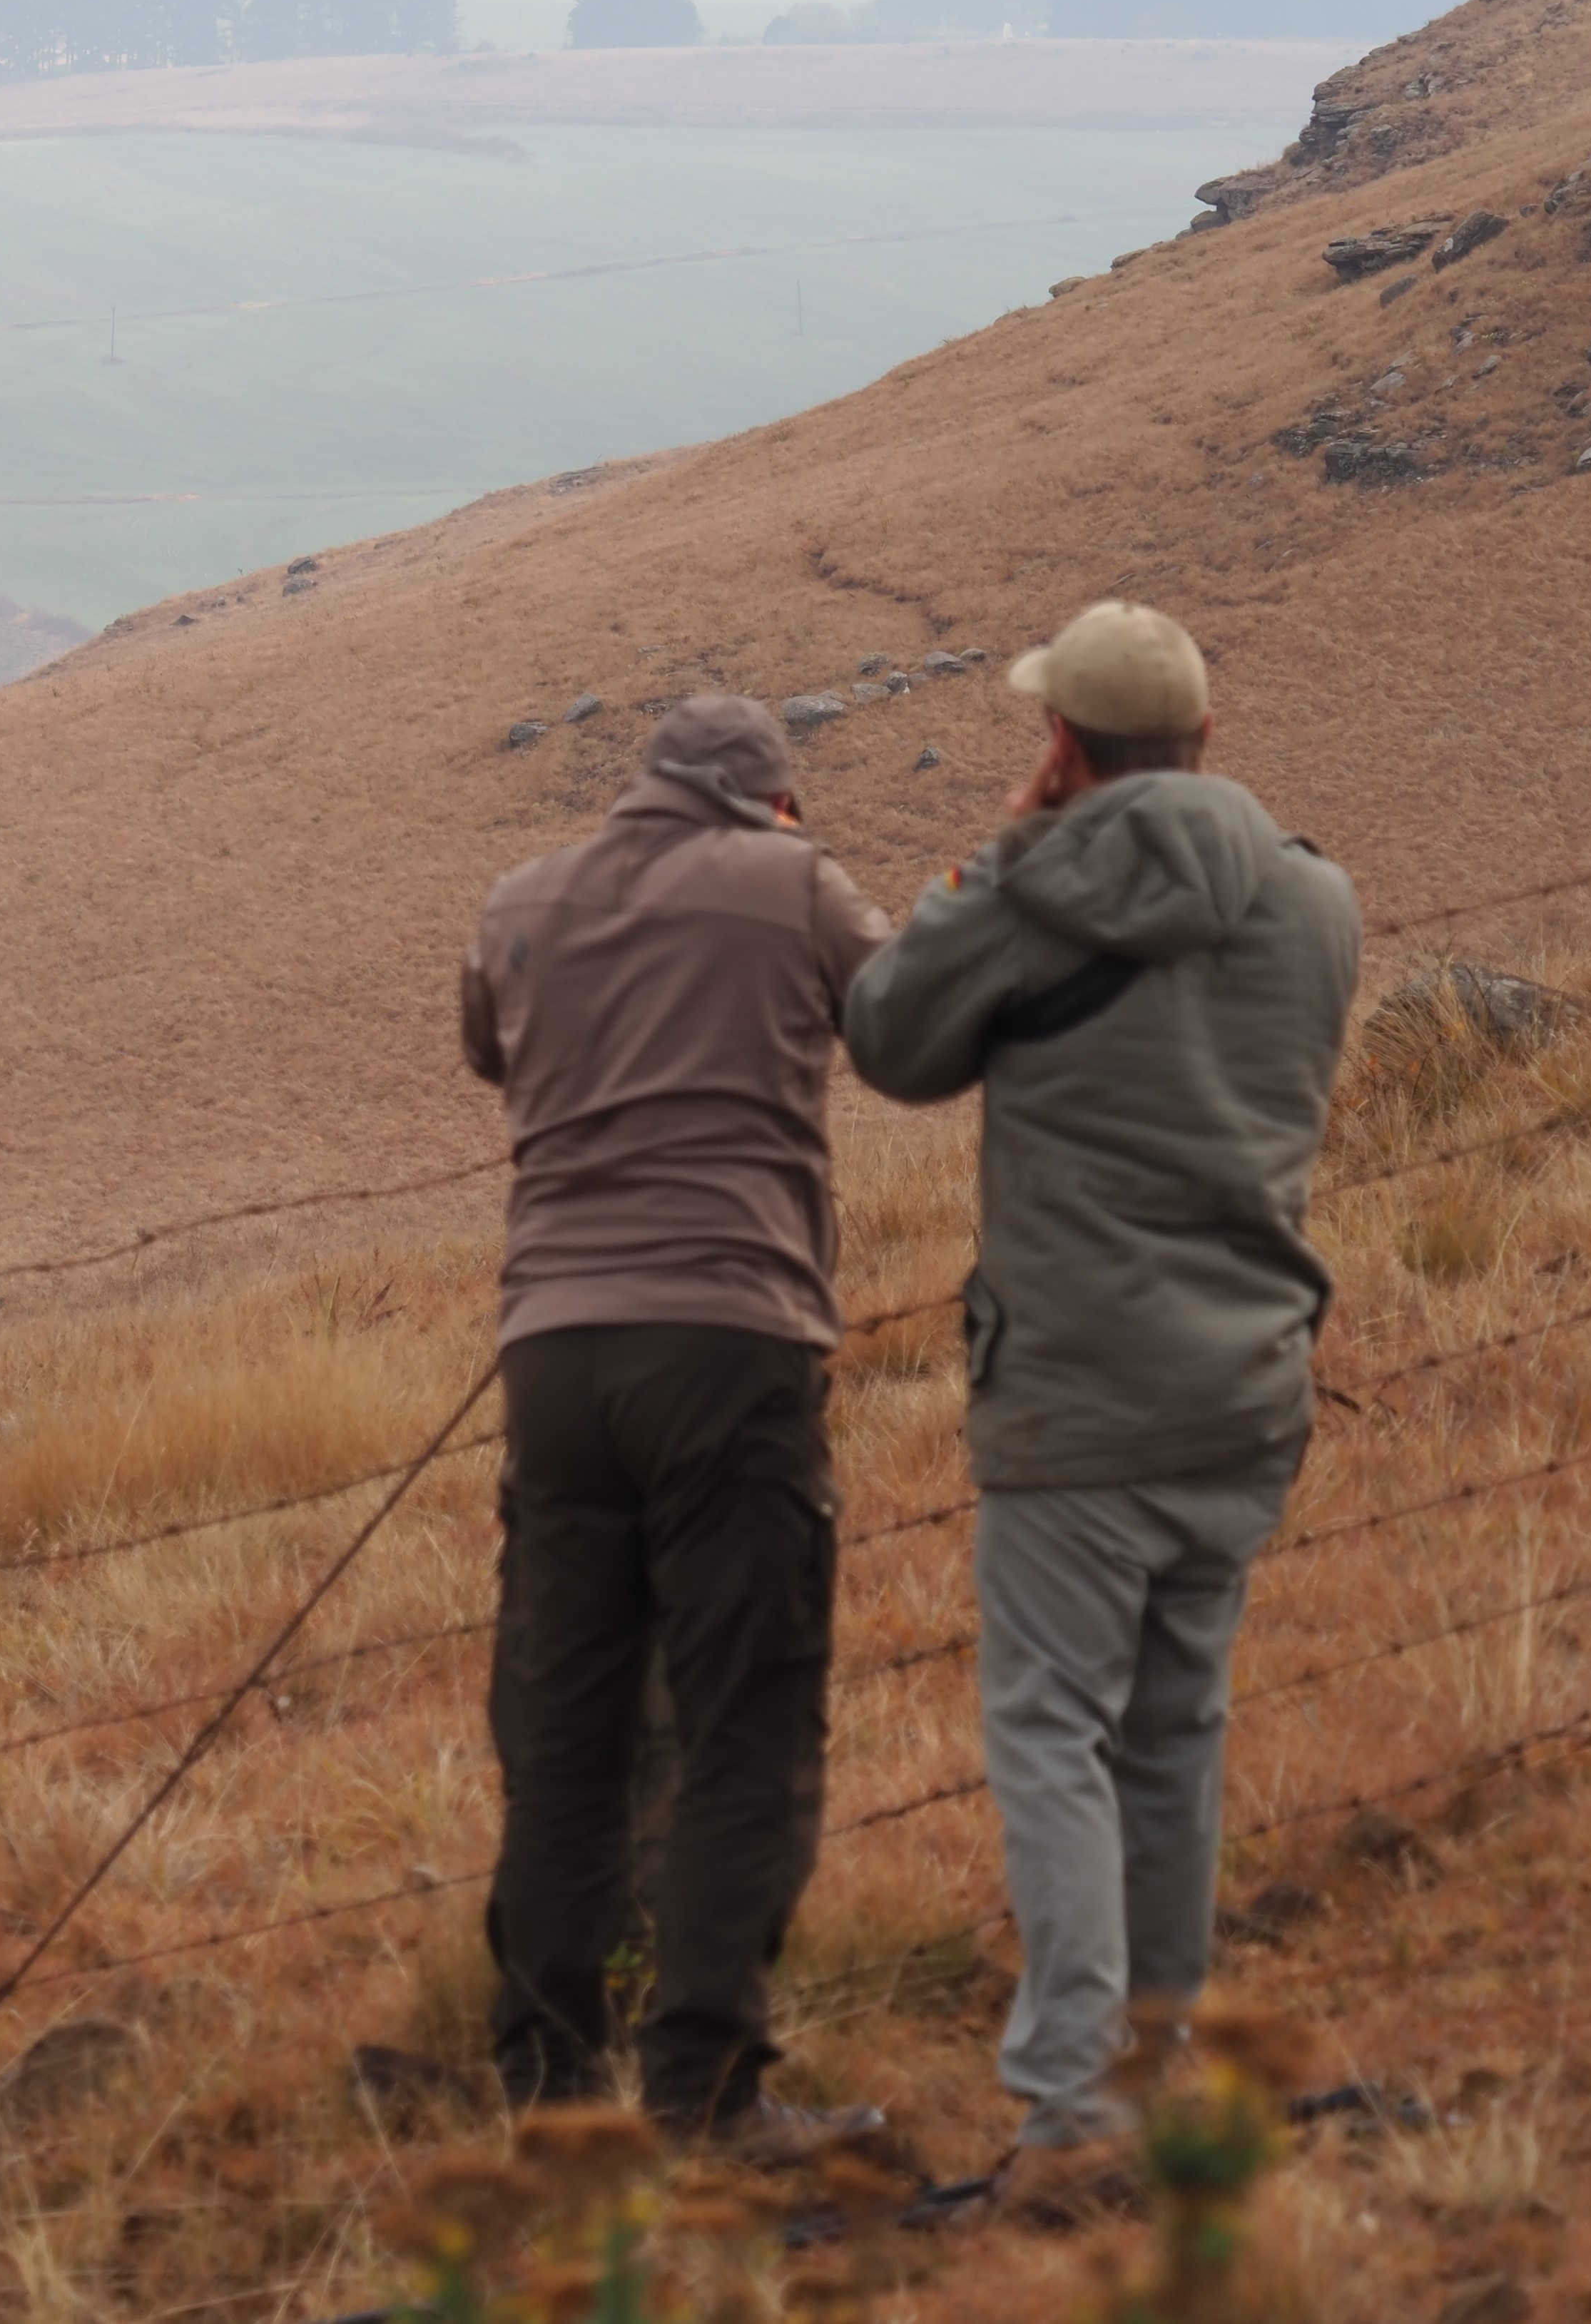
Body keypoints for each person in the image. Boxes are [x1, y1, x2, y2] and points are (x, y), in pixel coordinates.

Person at [840, 602, 1358, 2195]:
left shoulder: (1026, 891)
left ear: (1059, 747)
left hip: (1077, 1392)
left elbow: (889, 1041)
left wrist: (992, 864)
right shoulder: (1315, 900)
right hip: (1248, 1376)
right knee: (1176, 1726)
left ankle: (1073, 2112)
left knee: (1054, 1730)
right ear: (1206, 739)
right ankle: (1155, 2057)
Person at [459, 693, 893, 2138]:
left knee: (568, 1720)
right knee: (742, 1715)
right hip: (728, 1337)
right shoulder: (796, 881)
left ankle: (548, 2084)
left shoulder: (520, 895)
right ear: (768, 801)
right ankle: (707, 2090)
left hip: (553, 1363)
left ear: (648, 787)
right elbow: (894, 1020)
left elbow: (488, 1049)